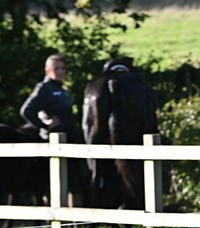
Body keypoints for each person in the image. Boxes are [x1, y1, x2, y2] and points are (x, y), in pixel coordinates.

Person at [83, 57, 160, 210]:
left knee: (96, 164)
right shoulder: (140, 85)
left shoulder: (93, 86)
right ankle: (136, 205)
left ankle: (96, 206)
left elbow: (87, 128)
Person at [20, 54, 79, 141]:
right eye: (56, 68)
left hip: (67, 137)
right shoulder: (44, 88)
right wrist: (44, 125)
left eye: (63, 68)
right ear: (47, 70)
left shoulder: (63, 89)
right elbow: (27, 111)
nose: (60, 71)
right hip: (51, 139)